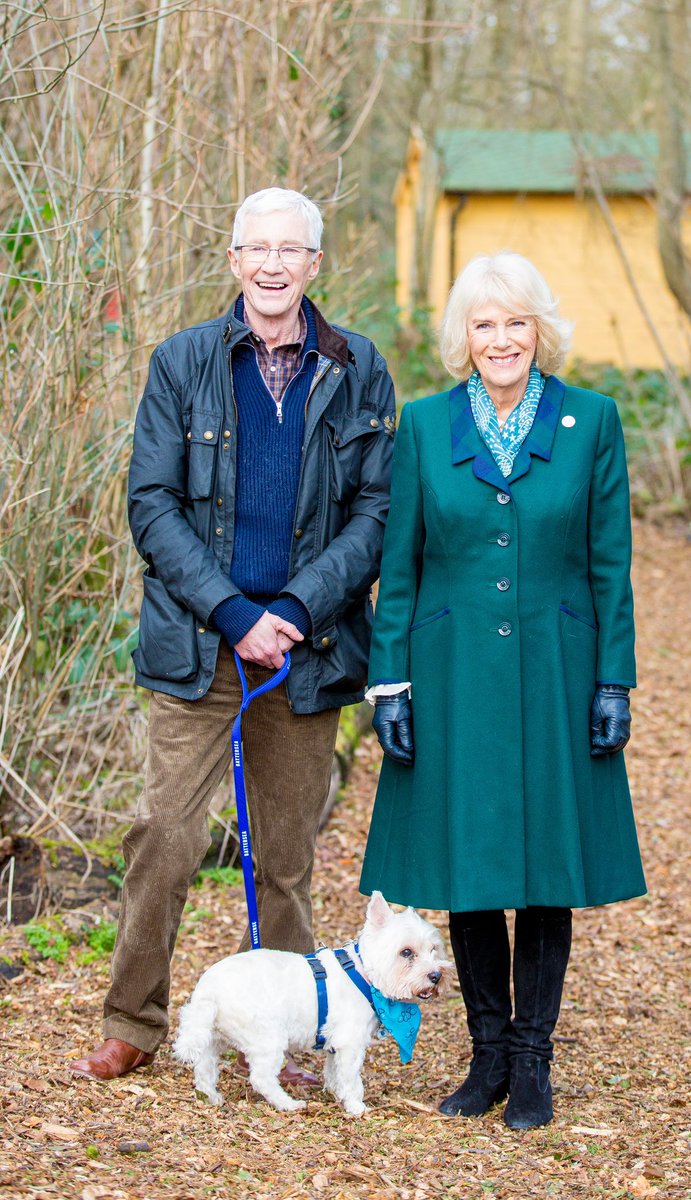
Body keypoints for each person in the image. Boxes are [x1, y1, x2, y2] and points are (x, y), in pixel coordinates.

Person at [71, 187, 396, 1083]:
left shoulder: (359, 368)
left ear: (315, 265)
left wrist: (294, 610)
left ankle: (289, 1033)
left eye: (291, 251)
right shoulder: (181, 362)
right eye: (257, 248)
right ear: (233, 260)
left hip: (308, 646)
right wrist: (235, 614)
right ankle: (132, 1022)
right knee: (165, 837)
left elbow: (376, 510)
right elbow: (152, 503)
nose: (273, 265)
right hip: (199, 642)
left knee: (286, 856)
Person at [360, 251, 645, 1129]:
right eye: (483, 324)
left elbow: (611, 565)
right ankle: (484, 1060)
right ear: (464, 338)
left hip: (557, 674)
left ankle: (533, 1065)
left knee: (544, 869)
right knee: (471, 869)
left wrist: (614, 680)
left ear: (539, 331)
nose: (501, 339)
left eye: (516, 321)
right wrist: (390, 684)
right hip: (451, 680)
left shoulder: (592, 421)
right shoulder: (426, 426)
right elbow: (398, 566)